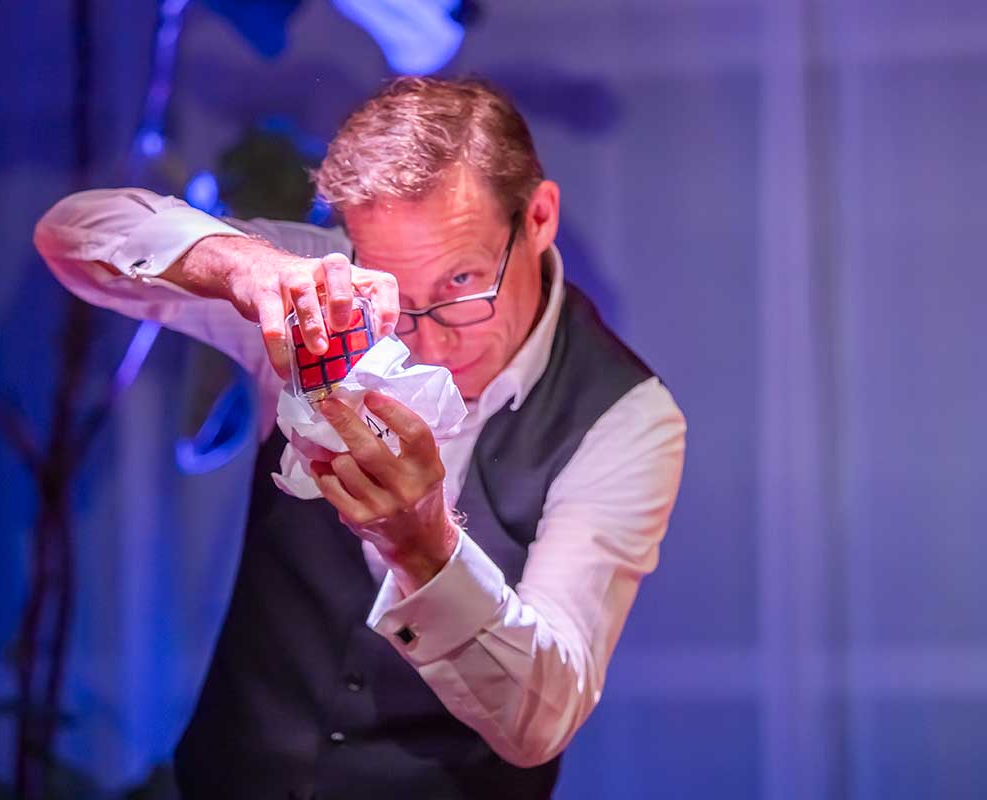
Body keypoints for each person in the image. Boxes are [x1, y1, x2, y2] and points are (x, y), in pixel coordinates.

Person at [34, 76, 686, 799]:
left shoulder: (627, 418)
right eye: (393, 293)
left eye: (463, 279)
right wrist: (242, 266)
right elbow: (69, 233)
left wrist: (428, 552)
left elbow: (542, 721)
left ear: (538, 218)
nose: (429, 336)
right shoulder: (316, 291)